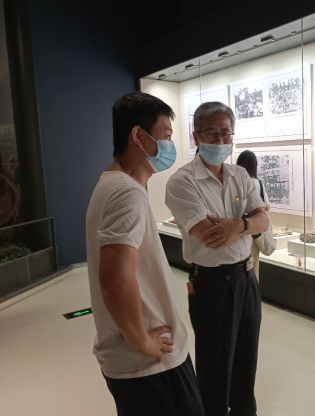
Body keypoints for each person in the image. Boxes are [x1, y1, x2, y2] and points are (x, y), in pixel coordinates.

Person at [86, 92, 203, 416]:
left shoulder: (112, 185)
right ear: (139, 136)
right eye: (165, 136)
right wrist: (143, 342)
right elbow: (115, 281)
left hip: (137, 363)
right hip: (151, 365)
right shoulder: (128, 193)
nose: (169, 146)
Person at [165, 101, 269, 416]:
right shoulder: (182, 182)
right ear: (196, 136)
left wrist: (238, 225)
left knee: (247, 359)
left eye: (226, 133)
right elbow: (209, 235)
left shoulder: (240, 175)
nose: (220, 140)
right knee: (215, 366)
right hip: (212, 283)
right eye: (211, 133)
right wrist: (248, 223)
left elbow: (264, 221)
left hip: (246, 278)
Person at [236, 150, 271, 280]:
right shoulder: (257, 183)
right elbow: (266, 207)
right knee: (253, 267)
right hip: (254, 231)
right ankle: (253, 291)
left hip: (238, 230)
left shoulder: (236, 183)